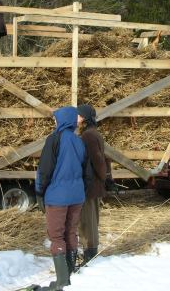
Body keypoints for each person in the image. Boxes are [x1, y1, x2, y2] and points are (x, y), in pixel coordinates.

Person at [35, 107, 87, 291]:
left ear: (62, 120)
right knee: (71, 232)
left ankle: (61, 281)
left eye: (56, 119)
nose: (54, 123)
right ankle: (71, 273)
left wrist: (39, 191)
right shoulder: (79, 142)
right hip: (77, 196)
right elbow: (85, 170)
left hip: (57, 197)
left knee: (57, 236)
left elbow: (45, 169)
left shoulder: (54, 139)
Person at [76, 104, 112, 265]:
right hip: (94, 184)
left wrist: (103, 177)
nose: (76, 118)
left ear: (85, 118)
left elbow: (98, 160)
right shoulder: (92, 133)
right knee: (91, 219)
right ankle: (90, 251)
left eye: (78, 116)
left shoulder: (88, 136)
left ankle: (90, 255)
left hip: (91, 185)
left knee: (87, 221)